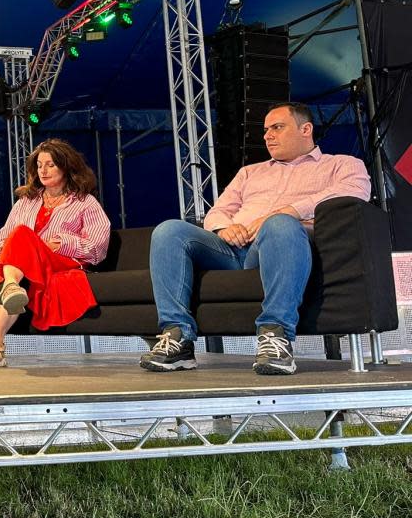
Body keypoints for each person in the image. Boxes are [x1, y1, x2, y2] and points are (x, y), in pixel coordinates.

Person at [140, 101, 371, 375]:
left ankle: (276, 337)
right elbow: (217, 212)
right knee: (169, 230)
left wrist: (287, 211)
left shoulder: (341, 165)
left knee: (280, 224)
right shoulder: (250, 172)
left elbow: (354, 192)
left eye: (277, 127)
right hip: (232, 248)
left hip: (280, 244)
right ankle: (177, 338)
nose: (267, 136)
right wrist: (223, 228)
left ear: (305, 129)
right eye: (265, 130)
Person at [0, 139, 111, 367]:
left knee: (20, 236)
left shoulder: (85, 203)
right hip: (25, 266)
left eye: (50, 164)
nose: (43, 171)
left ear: (66, 167)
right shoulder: (26, 202)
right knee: (19, 236)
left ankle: (4, 309)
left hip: (60, 262)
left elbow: (98, 247)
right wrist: (14, 251)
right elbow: (0, 239)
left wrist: (63, 243)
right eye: (39, 165)